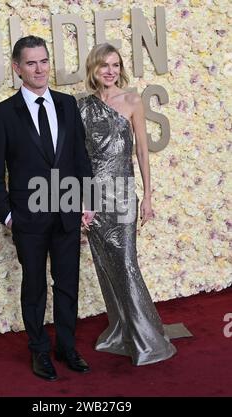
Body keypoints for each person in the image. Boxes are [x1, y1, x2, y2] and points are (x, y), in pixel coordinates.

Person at [0, 36, 94, 381]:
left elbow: (80, 156)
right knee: (34, 287)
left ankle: (66, 346)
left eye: (44, 61)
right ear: (17, 68)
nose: (40, 69)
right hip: (28, 218)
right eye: (31, 63)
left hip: (66, 212)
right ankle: (39, 352)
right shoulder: (2, 114)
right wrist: (7, 215)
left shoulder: (66, 104)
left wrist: (87, 200)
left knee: (67, 284)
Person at [78, 43, 177, 365]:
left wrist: (148, 196)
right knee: (105, 266)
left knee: (126, 264)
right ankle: (121, 330)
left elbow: (142, 153)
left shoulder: (133, 100)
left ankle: (148, 339)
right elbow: (77, 159)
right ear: (93, 68)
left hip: (122, 196)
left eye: (116, 65)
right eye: (104, 65)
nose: (110, 71)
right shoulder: (82, 107)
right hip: (93, 199)